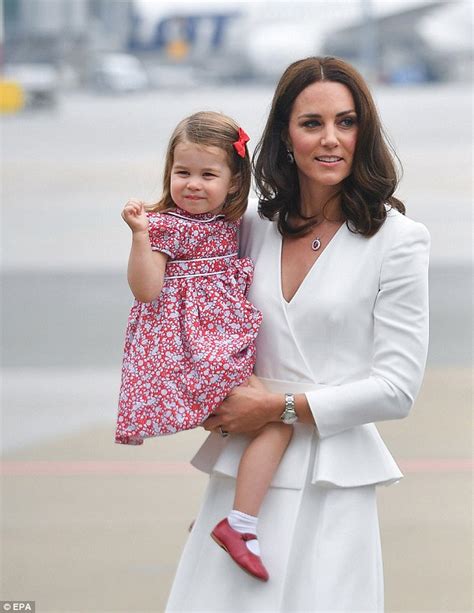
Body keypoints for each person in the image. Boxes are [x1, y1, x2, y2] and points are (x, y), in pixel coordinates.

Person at [165, 57, 430, 612]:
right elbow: (202, 322)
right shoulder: (252, 225)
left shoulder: (398, 240)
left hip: (331, 486)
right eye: (312, 123)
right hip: (242, 487)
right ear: (286, 135)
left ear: (366, 132)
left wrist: (279, 407)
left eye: (347, 122)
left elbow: (397, 389)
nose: (331, 139)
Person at [115, 111, 294, 581]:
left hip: (224, 345)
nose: (192, 184)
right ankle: (240, 524)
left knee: (249, 424)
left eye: (207, 174)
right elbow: (146, 289)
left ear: (235, 183)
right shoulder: (164, 226)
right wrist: (140, 236)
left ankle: (220, 512)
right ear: (168, 172)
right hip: (194, 353)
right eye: (182, 172)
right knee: (277, 420)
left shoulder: (234, 224)